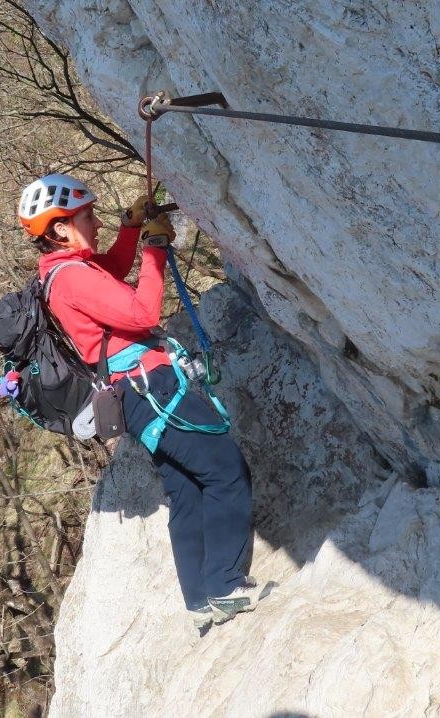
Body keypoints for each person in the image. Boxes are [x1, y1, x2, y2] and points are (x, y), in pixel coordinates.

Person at [17, 173, 266, 634]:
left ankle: (200, 599)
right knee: (226, 470)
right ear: (58, 230)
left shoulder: (63, 273)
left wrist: (132, 230)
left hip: (134, 395)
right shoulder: (71, 279)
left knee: (187, 488)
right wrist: (154, 249)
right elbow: (142, 313)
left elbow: (110, 270)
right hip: (150, 388)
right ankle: (227, 586)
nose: (95, 223)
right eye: (85, 217)